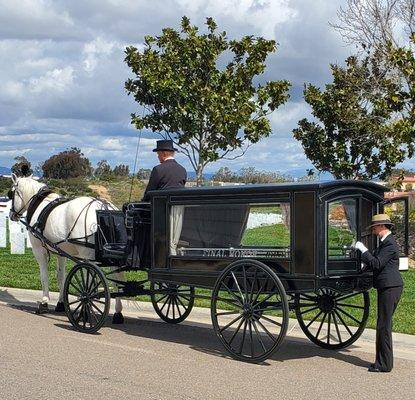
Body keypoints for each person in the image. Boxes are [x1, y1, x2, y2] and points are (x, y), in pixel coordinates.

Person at [354, 213, 403, 373]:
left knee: (384, 325)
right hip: (388, 286)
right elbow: (375, 260)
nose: (373, 229)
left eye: (374, 227)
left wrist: (363, 250)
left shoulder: (389, 244)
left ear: (381, 226)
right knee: (383, 324)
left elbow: (377, 263)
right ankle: (382, 362)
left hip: (390, 287)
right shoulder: (385, 243)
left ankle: (384, 364)